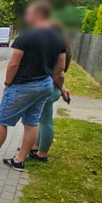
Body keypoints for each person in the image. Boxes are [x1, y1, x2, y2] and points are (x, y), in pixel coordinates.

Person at [0, 0, 67, 171]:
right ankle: (19, 160)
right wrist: (60, 86)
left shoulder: (26, 36)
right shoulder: (58, 39)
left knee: (2, 121)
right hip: (45, 85)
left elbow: (14, 63)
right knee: (31, 123)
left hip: (22, 85)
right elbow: (60, 71)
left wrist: (8, 83)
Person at [27, 22, 72, 163]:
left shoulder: (56, 49)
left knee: (45, 120)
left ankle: (42, 154)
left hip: (49, 89)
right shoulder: (64, 48)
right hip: (54, 88)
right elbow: (60, 74)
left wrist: (60, 85)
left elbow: (59, 73)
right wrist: (62, 87)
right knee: (43, 119)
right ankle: (36, 146)